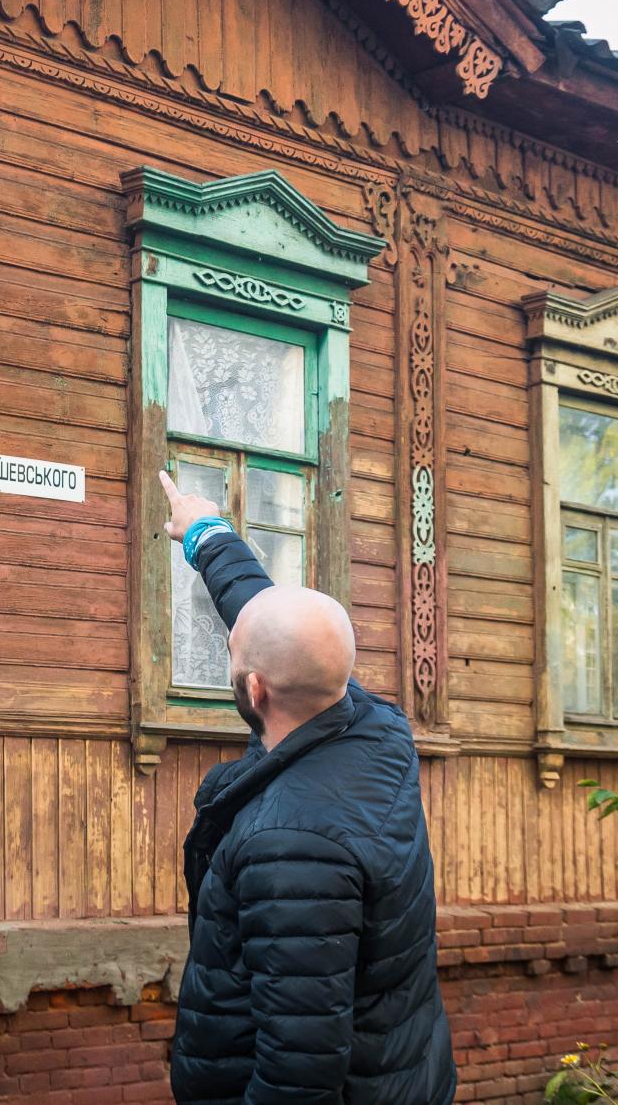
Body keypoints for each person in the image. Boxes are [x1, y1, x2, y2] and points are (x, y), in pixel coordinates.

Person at [158, 469, 456, 1105]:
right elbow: (269, 617)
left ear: (256, 689)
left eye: (236, 660)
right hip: (402, 1074)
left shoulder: (290, 848)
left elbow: (300, 1070)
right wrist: (204, 532)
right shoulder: (373, 729)